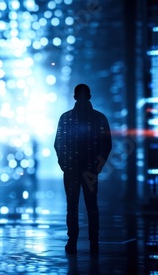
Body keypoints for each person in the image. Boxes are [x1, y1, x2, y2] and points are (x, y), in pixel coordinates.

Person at [54, 84, 112, 254]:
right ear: (90, 96)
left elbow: (59, 143)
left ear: (75, 97)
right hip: (86, 170)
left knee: (74, 207)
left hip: (75, 169)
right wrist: (97, 166)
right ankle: (92, 242)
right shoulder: (99, 118)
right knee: (90, 206)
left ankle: (74, 241)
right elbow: (106, 145)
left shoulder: (66, 118)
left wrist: (65, 164)